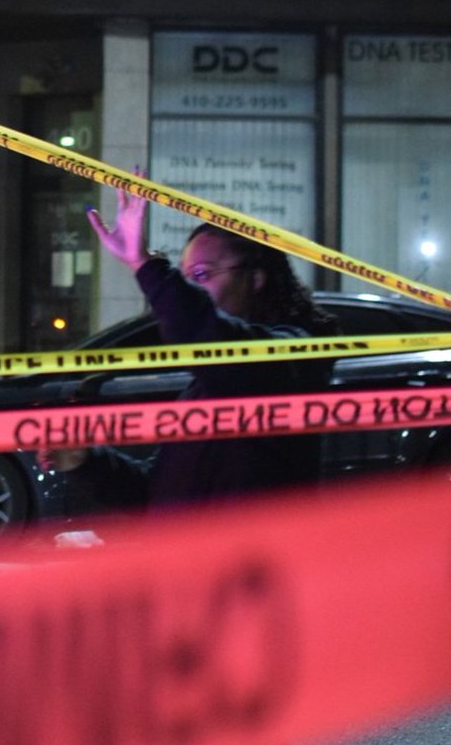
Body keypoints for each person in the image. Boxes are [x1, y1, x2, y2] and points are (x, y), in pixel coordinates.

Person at [49, 171, 339, 513]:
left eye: (202, 275)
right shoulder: (206, 385)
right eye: (187, 279)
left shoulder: (293, 359)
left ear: (256, 278)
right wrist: (86, 460)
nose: (193, 290)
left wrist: (146, 265)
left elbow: (213, 337)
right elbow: (156, 495)